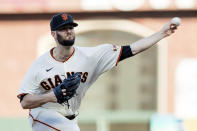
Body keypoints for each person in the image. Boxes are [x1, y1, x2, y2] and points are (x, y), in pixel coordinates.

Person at [17, 13, 180, 131]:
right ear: (53, 34)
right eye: (63, 29)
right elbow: (25, 102)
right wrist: (53, 96)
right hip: (42, 115)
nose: (69, 31)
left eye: (71, 27)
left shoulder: (91, 56)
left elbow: (131, 49)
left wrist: (163, 33)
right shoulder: (39, 65)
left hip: (72, 118)